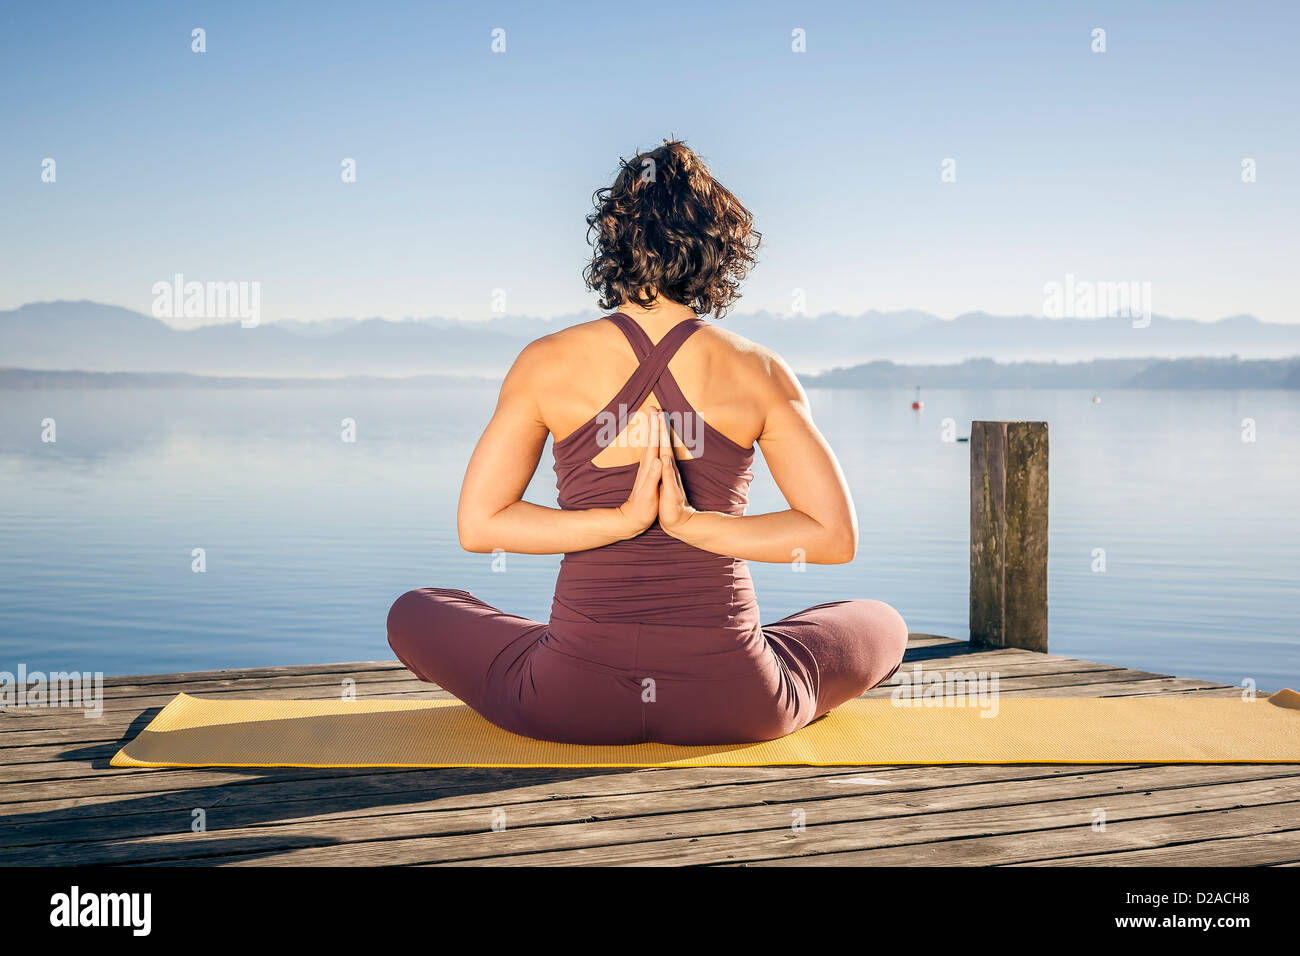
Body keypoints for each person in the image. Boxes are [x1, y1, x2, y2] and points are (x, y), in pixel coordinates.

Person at [388, 140, 908, 745]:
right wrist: (693, 526)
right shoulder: (761, 370)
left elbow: (480, 526)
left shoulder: (545, 362)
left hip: (568, 699)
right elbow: (832, 538)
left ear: (612, 240)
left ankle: (566, 647)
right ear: (718, 246)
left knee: (415, 609)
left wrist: (619, 521)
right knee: (882, 622)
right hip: (737, 701)